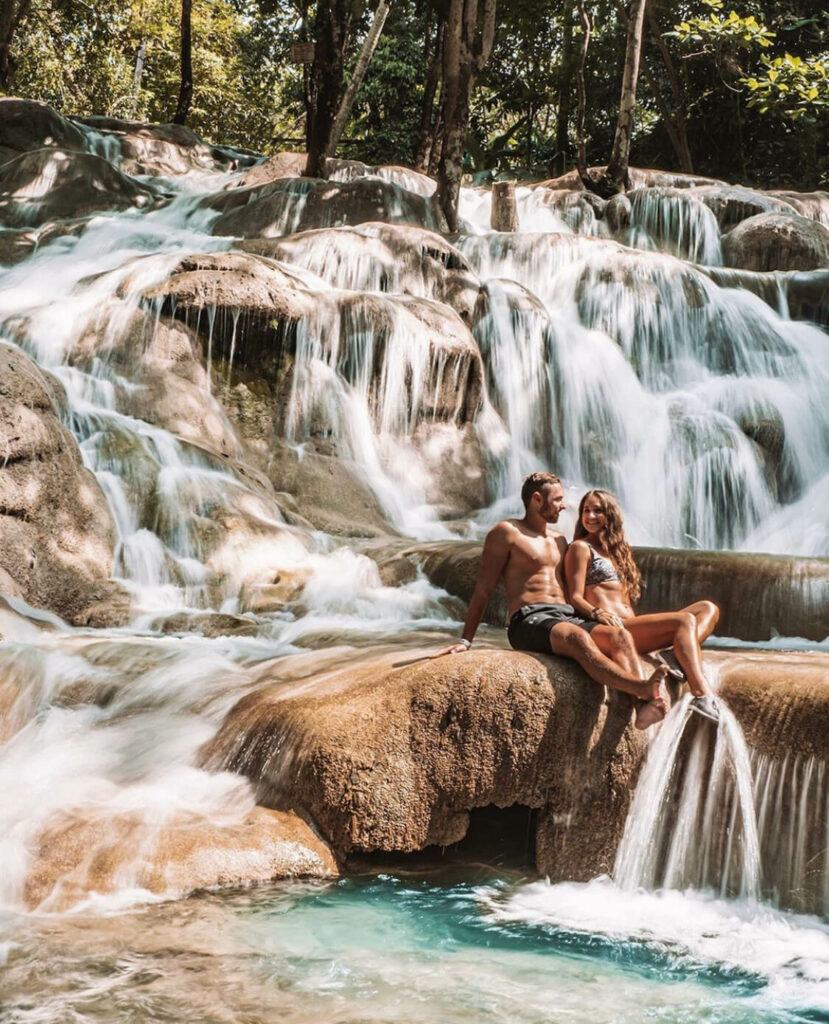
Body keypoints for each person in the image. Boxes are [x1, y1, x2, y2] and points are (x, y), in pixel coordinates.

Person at [433, 471, 670, 729]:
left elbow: (577, 588)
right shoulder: (507, 533)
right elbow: (483, 589)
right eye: (557, 500)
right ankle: (642, 687)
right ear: (537, 499)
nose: (564, 505)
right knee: (577, 638)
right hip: (529, 619)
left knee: (620, 637)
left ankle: (643, 708)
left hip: (566, 615)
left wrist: (599, 612)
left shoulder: (559, 540)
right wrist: (465, 640)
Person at [564, 489, 720, 722]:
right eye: (586, 510)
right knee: (684, 621)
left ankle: (674, 654)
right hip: (617, 630)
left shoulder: (616, 552)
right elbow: (574, 597)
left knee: (708, 608)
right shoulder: (580, 548)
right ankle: (701, 694)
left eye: (598, 510)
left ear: (611, 516)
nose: (591, 516)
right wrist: (597, 613)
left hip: (633, 628)